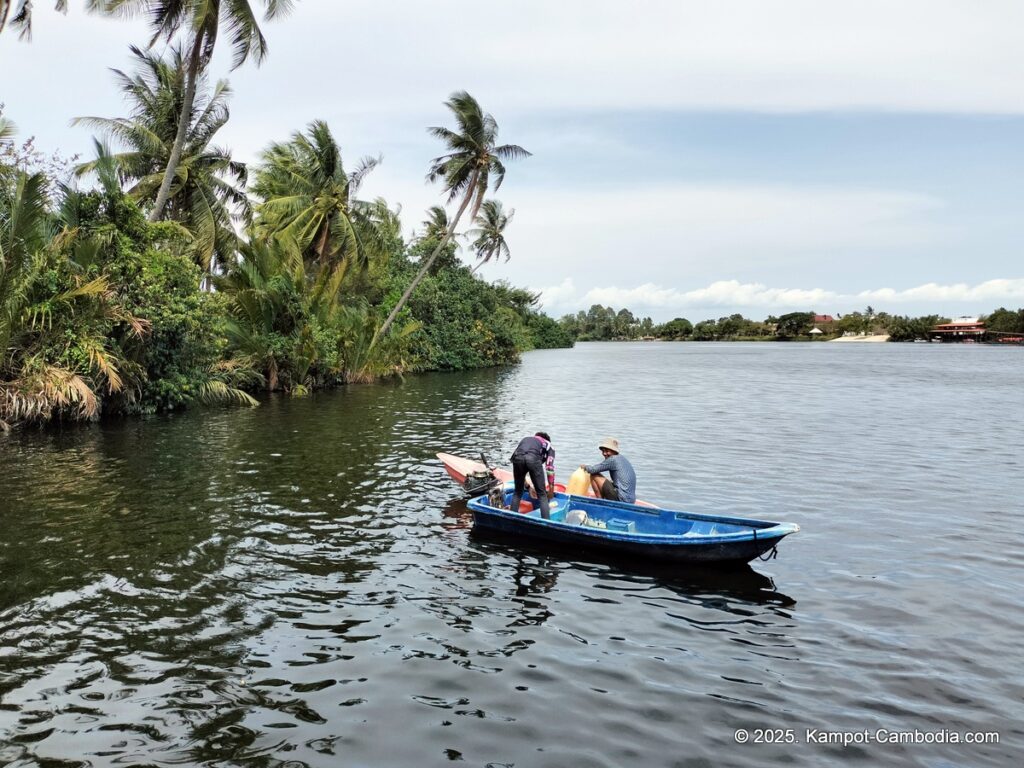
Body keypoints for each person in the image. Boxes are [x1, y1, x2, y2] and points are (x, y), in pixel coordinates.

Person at [509, 431, 556, 519]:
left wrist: (528, 487)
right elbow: (550, 468)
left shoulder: (526, 440)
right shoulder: (548, 444)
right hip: (533, 459)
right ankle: (546, 523)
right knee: (542, 495)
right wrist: (551, 490)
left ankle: (511, 519)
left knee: (518, 492)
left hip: (517, 458)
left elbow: (517, 463)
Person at [581, 437, 636, 504]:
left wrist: (585, 466)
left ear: (614, 451)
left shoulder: (613, 459)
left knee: (594, 474)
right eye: (603, 451)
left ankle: (600, 502)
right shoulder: (621, 458)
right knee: (603, 477)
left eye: (607, 451)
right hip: (631, 500)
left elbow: (592, 470)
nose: (604, 453)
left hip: (621, 499)